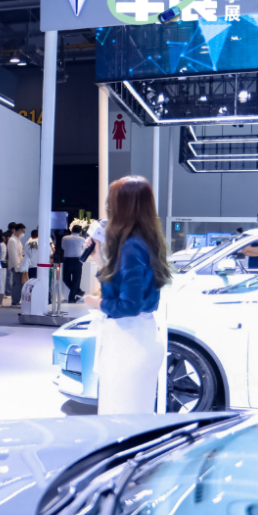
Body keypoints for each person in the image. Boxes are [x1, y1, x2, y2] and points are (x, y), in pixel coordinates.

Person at [84, 176, 172, 414]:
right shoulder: (147, 240)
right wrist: (100, 259)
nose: (108, 207)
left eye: (112, 202)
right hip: (137, 338)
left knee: (120, 419)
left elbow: (129, 305)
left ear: (124, 206)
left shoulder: (131, 246)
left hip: (128, 343)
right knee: (130, 417)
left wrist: (97, 303)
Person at [62, 225, 86, 303]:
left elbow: (63, 247)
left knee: (65, 278)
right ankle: (75, 295)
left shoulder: (65, 238)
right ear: (80, 231)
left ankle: (76, 294)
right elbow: (83, 248)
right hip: (77, 260)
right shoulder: (82, 239)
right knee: (76, 279)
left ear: (71, 230)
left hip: (67, 260)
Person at [6, 223, 25, 306]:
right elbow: (14, 255)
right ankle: (15, 300)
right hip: (16, 265)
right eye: (22, 231)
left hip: (19, 265)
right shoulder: (12, 240)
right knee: (17, 283)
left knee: (18, 283)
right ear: (18, 230)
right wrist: (17, 266)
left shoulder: (17, 240)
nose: (23, 233)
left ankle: (16, 299)